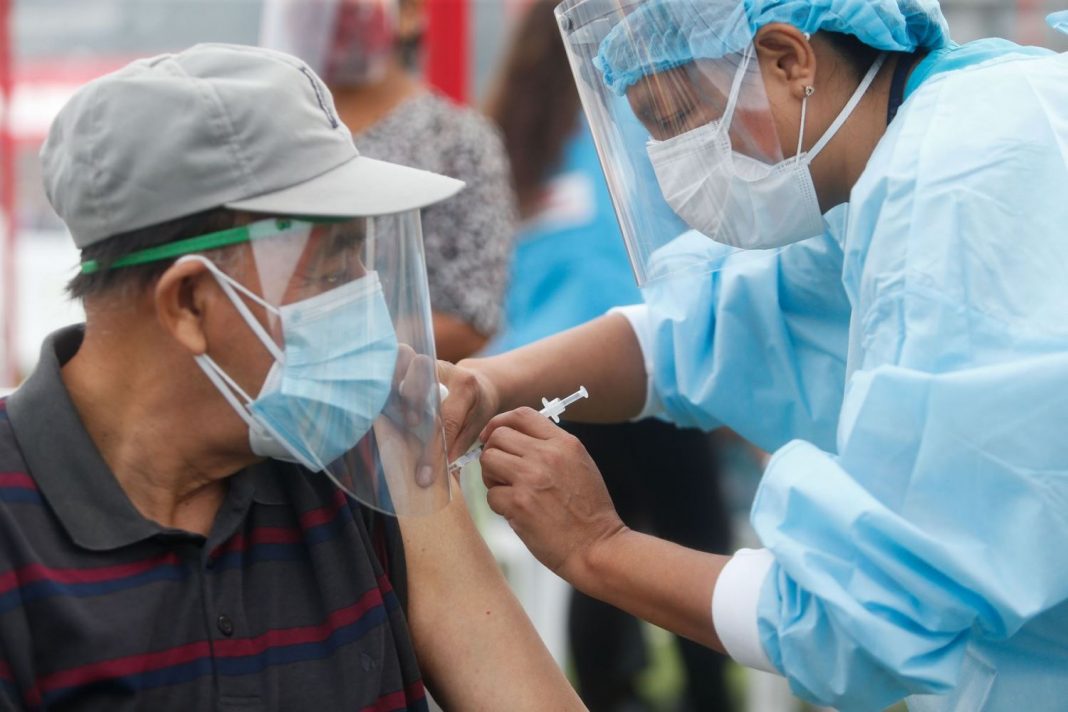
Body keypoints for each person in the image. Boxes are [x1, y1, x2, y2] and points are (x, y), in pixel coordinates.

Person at [436, 1, 1068, 710]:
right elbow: (713, 326)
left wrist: (599, 546)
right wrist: (489, 382)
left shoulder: (959, 190)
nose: (674, 166)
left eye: (674, 121)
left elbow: (863, 619)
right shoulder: (930, 139)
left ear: (788, 60)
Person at [0, 43, 583, 711]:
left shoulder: (368, 456)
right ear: (189, 302)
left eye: (366, 262)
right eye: (333, 270)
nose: (366, 302)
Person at [485, 3, 733, 710]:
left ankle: (606, 695)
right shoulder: (635, 111)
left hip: (556, 370)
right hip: (648, 357)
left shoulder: (520, 129)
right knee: (694, 535)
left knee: (593, 552)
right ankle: (710, 696)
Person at [260, 0, 517, 362]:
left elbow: (472, 320)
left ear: (409, 14)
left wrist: (322, 347)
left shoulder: (456, 140)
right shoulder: (272, 136)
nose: (327, 15)